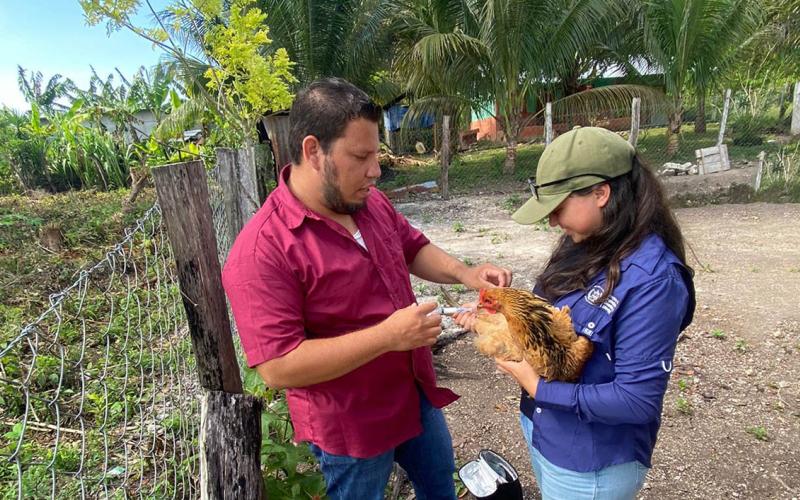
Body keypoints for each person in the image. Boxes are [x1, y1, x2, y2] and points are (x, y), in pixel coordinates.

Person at [222, 77, 512, 500]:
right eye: (361, 156)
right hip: (351, 428)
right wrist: (388, 337)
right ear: (312, 151)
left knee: (440, 489)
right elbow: (278, 365)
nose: (375, 170)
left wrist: (465, 274)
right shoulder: (262, 250)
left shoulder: (367, 200)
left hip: (413, 394)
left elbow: (412, 247)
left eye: (376, 154)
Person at [455, 126, 695, 500]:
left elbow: (636, 400)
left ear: (601, 193)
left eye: (559, 207)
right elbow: (548, 329)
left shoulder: (653, 280)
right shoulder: (584, 242)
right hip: (546, 428)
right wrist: (497, 322)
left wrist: (538, 387)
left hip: (590, 461)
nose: (552, 221)